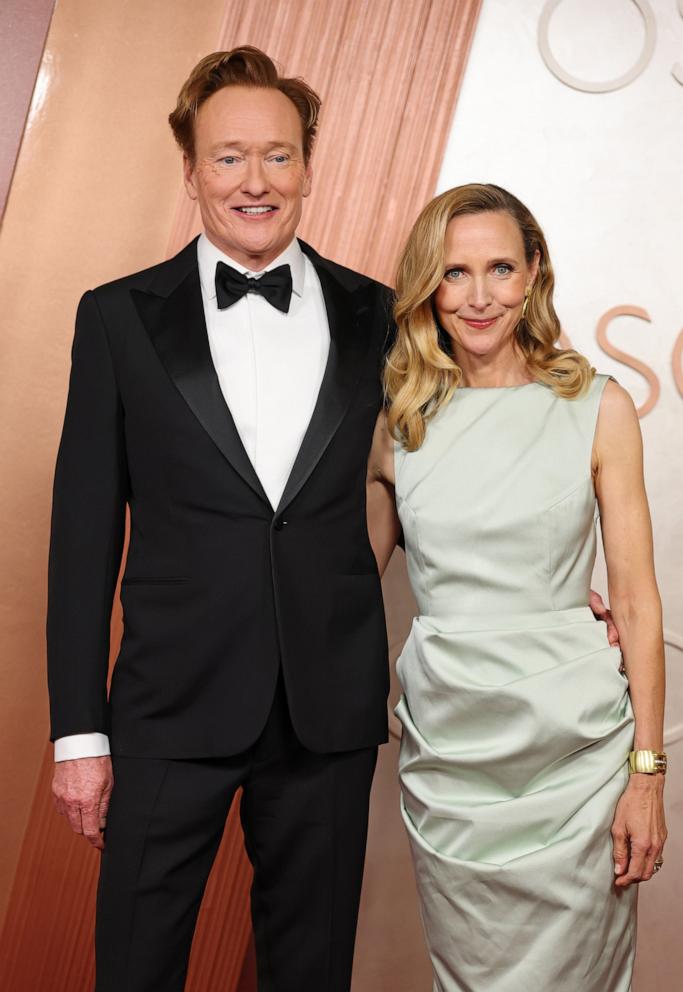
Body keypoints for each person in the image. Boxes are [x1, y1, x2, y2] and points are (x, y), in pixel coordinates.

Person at [47, 47, 392, 992]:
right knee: (135, 966)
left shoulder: (381, 316)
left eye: (278, 156)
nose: (256, 180)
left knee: (309, 969)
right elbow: (81, 538)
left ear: (308, 167)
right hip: (167, 705)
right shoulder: (118, 317)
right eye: (230, 156)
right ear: (191, 170)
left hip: (326, 712)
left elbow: (429, 486)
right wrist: (79, 735)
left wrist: (561, 587)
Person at [366, 183, 667, 990]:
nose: (478, 295)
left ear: (533, 274)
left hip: (576, 758)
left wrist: (646, 773)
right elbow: (339, 587)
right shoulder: (399, 423)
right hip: (452, 763)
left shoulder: (596, 407)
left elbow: (635, 601)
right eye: (454, 272)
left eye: (499, 267)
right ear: (429, 284)